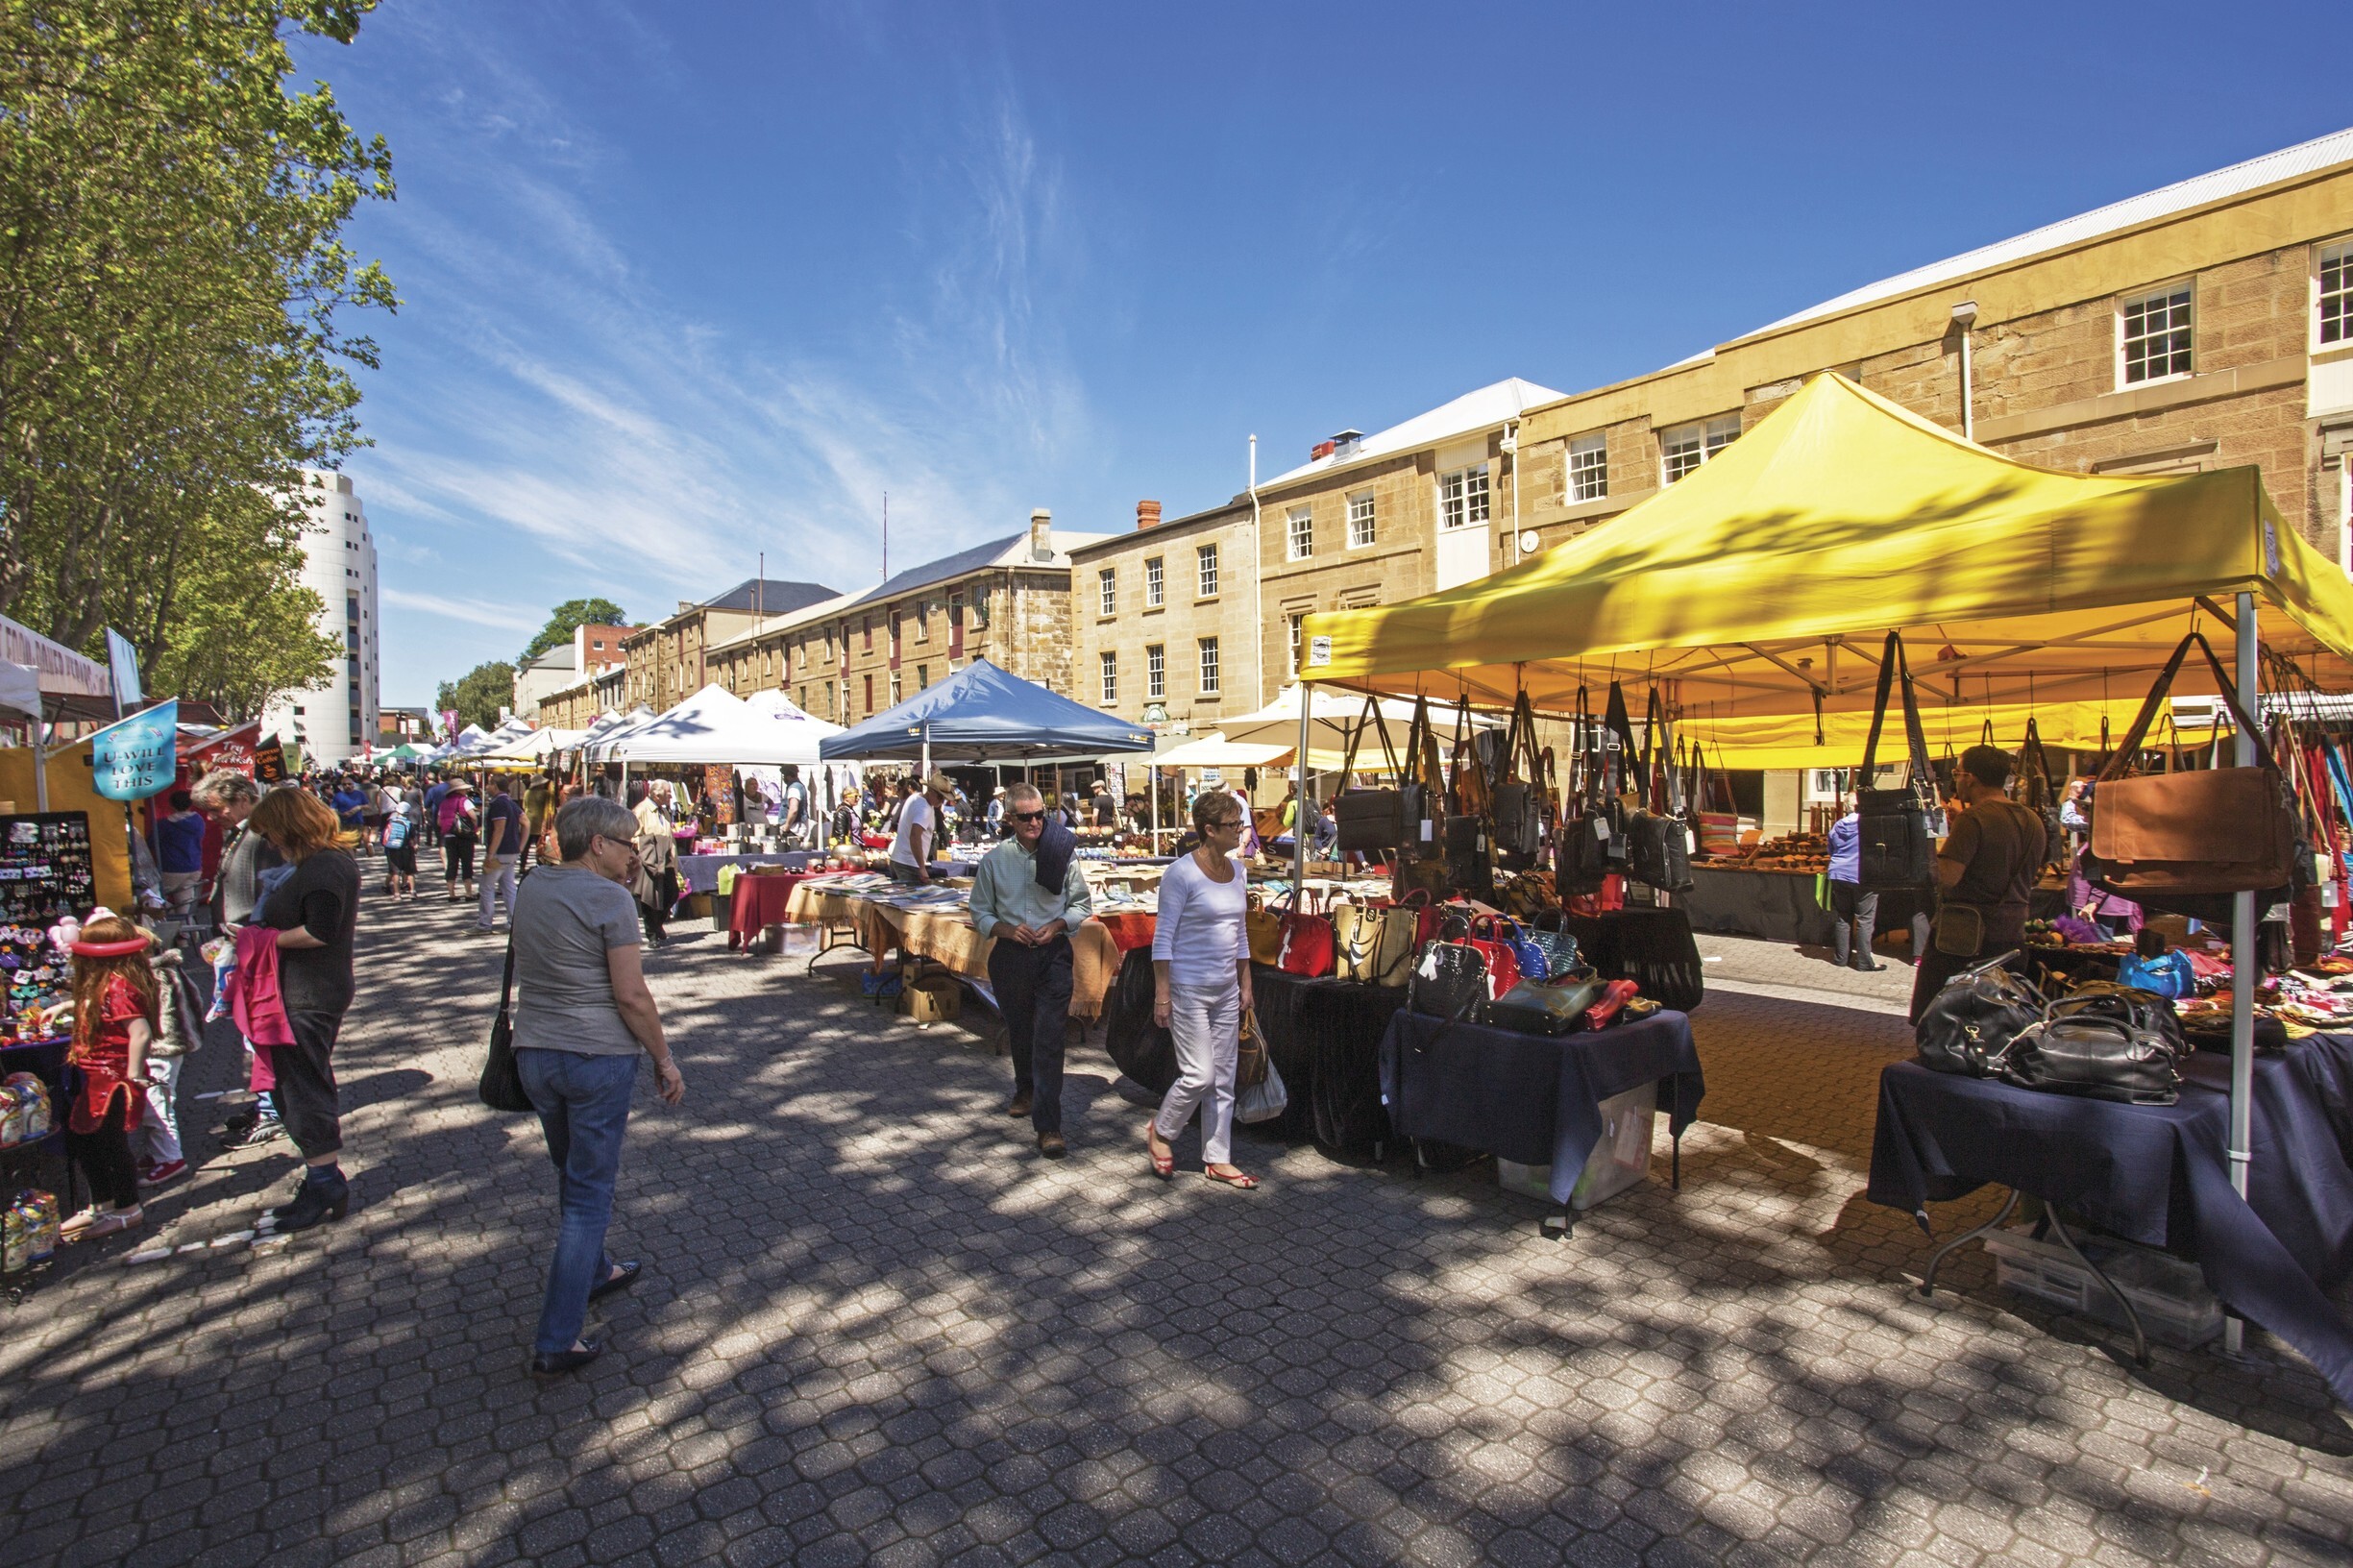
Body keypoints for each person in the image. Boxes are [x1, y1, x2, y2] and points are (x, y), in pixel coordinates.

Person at [511, 796, 687, 1377]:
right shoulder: (611, 899)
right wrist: (664, 1058)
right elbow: (631, 995)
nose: (635, 855)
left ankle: (594, 1270)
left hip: (536, 1053)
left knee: (574, 1175)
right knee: (588, 1197)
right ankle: (557, 1337)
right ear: (597, 845)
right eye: (627, 844)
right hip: (595, 1058)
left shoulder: (534, 885)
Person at [248, 786, 363, 1231]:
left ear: (290, 825)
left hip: (308, 994)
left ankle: (324, 1180)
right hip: (302, 990)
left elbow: (320, 931)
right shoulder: (319, 864)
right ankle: (323, 1177)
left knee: (303, 1088)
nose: (271, 842)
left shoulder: (325, 867)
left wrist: (261, 941)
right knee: (295, 1086)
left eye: (273, 832)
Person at [968, 783, 1092, 1159]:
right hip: (1011, 956)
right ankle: (1025, 1087)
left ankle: (1049, 1126)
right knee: (1020, 1029)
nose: (1035, 822)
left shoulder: (1062, 853)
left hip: (1053, 954)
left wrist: (1057, 925)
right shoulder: (994, 861)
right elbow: (980, 912)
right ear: (1010, 819)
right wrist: (1006, 929)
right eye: (1025, 817)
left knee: (1050, 1037)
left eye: (1040, 814)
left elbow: (1081, 904)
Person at [1146, 793, 1260, 1188]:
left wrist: (1245, 983)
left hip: (1226, 989)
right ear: (1209, 830)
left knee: (1224, 1079)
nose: (1241, 831)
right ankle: (1162, 1130)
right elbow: (1163, 940)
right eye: (1234, 825)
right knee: (1199, 1074)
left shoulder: (1238, 871)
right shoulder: (1181, 874)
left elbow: (1240, 933)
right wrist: (1163, 995)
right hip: (1188, 988)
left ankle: (1217, 1157)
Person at [1910, 745, 2048, 1025]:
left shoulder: (1974, 819)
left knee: (1941, 1019)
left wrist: (1931, 855)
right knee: (1997, 1019)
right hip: (2012, 934)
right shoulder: (2034, 820)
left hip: (1964, 938)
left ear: (1970, 777)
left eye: (1957, 773)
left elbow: (1948, 877)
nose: (1956, 780)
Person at [191, 770, 286, 1146]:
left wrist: (249, 931)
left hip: (254, 948)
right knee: (251, 1032)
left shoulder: (262, 836)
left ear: (244, 799)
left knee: (259, 1033)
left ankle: (273, 1108)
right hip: (243, 945)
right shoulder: (243, 833)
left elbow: (270, 890)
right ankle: (268, 1102)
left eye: (217, 809)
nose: (213, 818)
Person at [55, 916, 159, 1240]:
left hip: (112, 1078)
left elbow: (140, 1033)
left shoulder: (119, 987)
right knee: (86, 1141)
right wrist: (66, 1006)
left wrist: (131, 1074)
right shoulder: (106, 983)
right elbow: (99, 1006)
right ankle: (102, 1204)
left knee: (111, 1146)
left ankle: (128, 1210)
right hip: (94, 1076)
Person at [1826, 795, 1881, 971]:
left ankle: (1841, 958)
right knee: (1865, 919)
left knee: (1843, 916)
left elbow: (1831, 849)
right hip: (1862, 874)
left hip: (1838, 873)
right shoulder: (1868, 826)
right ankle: (1864, 961)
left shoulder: (1838, 825)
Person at [630, 782, 679, 947]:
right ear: (656, 795)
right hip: (649, 860)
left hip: (666, 860)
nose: (671, 796)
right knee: (650, 898)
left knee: (672, 892)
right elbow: (631, 836)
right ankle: (652, 934)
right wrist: (649, 845)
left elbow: (670, 836)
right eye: (667, 793)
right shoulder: (641, 810)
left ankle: (658, 924)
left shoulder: (664, 811)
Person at [151, 790, 207, 922]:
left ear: (171, 805)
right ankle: (185, 937)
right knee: (185, 905)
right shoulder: (198, 821)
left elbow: (151, 842)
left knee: (152, 897)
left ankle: (167, 918)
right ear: (190, 804)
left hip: (171, 869)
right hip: (194, 868)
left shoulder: (164, 825)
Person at [479, 776, 526, 932]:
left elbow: (499, 830)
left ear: (495, 786)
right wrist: (520, 846)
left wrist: (490, 854)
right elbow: (526, 822)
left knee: (486, 886)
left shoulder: (498, 804)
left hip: (500, 852)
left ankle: (484, 923)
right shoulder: (512, 804)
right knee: (508, 887)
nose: (486, 787)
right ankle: (513, 921)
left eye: (489, 784)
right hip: (512, 851)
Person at [890, 772, 950, 886]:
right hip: (909, 864)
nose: (941, 801)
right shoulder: (925, 809)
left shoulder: (915, 797)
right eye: (940, 797)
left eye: (944, 798)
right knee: (912, 901)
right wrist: (922, 867)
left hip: (898, 860)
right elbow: (915, 836)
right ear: (931, 791)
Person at [439, 780, 479, 902]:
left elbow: (438, 821)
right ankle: (468, 893)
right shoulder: (464, 801)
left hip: (449, 836)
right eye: (464, 789)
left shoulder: (444, 803)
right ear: (459, 790)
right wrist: (474, 827)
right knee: (467, 864)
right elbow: (473, 817)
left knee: (452, 864)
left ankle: (451, 894)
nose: (466, 790)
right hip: (464, 837)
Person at [381, 799, 419, 900]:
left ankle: (397, 894)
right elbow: (413, 839)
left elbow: (384, 837)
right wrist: (415, 846)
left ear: (397, 811)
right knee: (410, 872)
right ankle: (412, 892)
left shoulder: (391, 822)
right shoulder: (409, 824)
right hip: (406, 849)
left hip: (393, 850)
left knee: (395, 872)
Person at [523, 773, 556, 870]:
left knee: (526, 846)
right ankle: (539, 864)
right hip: (540, 822)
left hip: (528, 820)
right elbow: (550, 807)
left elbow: (524, 806)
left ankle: (522, 865)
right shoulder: (546, 793)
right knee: (540, 845)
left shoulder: (527, 792)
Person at [329, 776, 367, 848]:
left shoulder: (359, 794)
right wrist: (341, 814)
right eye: (344, 784)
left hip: (357, 822)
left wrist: (359, 807)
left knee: (355, 844)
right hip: (344, 823)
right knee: (346, 844)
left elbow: (368, 806)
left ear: (353, 785)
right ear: (342, 786)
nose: (347, 786)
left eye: (349, 784)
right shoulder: (338, 796)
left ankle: (353, 856)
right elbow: (332, 809)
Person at [422, 773, 451, 849]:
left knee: (439, 832)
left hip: (437, 813)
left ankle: (441, 843)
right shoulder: (453, 788)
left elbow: (427, 804)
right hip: (452, 812)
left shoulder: (433, 789)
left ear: (439, 777)